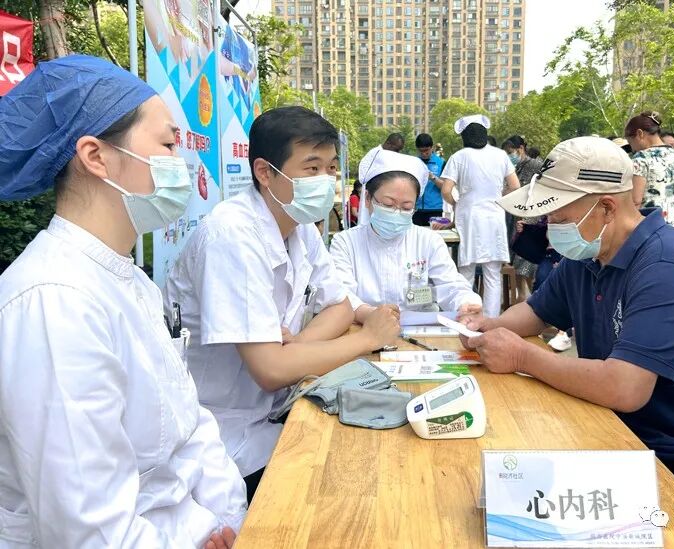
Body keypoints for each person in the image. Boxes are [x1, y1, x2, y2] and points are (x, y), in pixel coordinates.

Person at [0, 55, 246, 548]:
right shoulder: (54, 301)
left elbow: (192, 427)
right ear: (96, 157)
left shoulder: (129, 279)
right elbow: (89, 527)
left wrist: (229, 521)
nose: (181, 163)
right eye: (168, 145)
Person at [473, 136, 674, 510]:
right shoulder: (586, 258)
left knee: (524, 507)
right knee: (498, 481)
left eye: (558, 216)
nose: (550, 226)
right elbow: (534, 313)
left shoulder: (666, 266)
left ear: (606, 208)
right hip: (619, 430)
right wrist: (487, 327)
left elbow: (625, 388)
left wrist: (522, 357)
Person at [163, 107, 401, 503]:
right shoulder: (231, 236)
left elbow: (340, 306)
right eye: (312, 168)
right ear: (264, 172)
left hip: (272, 414)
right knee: (345, 489)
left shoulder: (299, 227)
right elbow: (271, 370)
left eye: (331, 168)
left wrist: (298, 346)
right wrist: (367, 339)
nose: (326, 180)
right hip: (223, 439)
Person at [331, 150, 481, 321]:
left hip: (420, 329)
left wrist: (466, 302)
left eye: (406, 207)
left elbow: (451, 284)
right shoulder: (346, 243)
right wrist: (370, 314)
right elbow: (341, 294)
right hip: (364, 328)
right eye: (388, 204)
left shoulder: (428, 241)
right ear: (367, 198)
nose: (396, 212)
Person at [440, 115, 520, 317]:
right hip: (494, 217)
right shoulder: (500, 155)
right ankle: (491, 321)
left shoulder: (459, 157)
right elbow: (515, 186)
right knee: (493, 274)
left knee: (465, 273)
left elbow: (446, 190)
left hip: (469, 218)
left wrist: (456, 203)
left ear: (464, 136)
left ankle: (466, 319)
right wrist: (498, 197)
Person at [625, 111, 674, 229]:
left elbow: (635, 201)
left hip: (652, 228)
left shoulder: (641, 159)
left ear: (640, 134)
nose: (632, 147)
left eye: (630, 142)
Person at [504, 136, 543, 303]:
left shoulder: (536, 165)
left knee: (526, 260)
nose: (509, 156)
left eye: (510, 152)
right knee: (516, 257)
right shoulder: (513, 167)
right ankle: (521, 295)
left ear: (520, 148)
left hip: (532, 217)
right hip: (515, 217)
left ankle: (534, 297)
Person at [413, 133, 446, 226]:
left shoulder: (441, 162)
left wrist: (432, 177)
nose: (424, 154)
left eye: (426, 151)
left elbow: (445, 186)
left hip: (435, 209)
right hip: (416, 209)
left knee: (434, 234)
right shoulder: (414, 162)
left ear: (432, 147)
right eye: (421, 151)